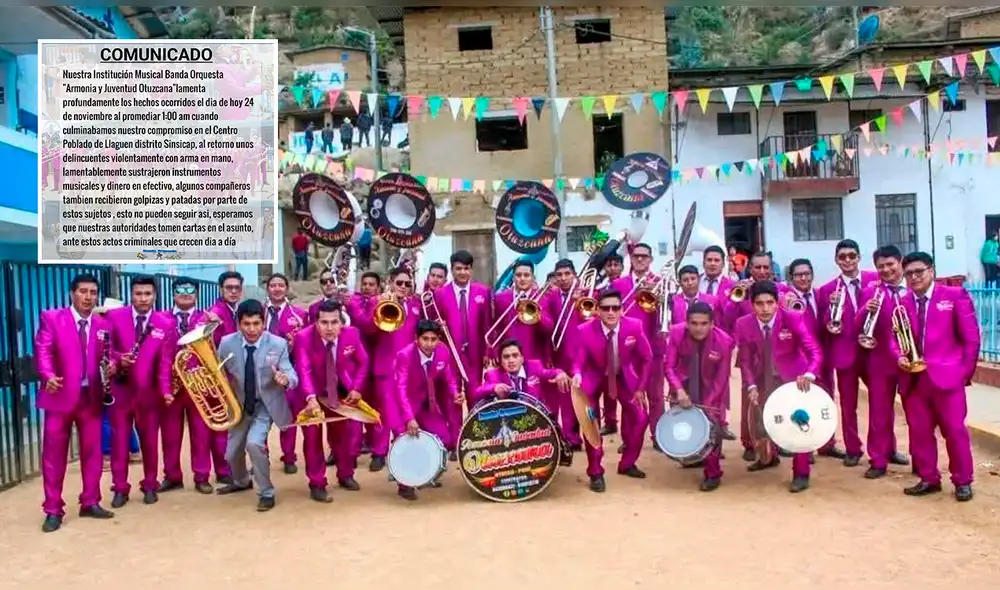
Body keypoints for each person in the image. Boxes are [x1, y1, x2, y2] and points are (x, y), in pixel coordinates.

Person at [893, 252, 979, 501]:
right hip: (914, 379)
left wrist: (962, 374)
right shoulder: (903, 302)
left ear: (931, 270)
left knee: (954, 431)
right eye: (909, 273)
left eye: (919, 271)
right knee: (919, 431)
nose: (914, 277)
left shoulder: (954, 296)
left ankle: (963, 480)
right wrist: (898, 355)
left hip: (947, 379)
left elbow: (971, 339)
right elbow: (893, 336)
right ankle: (929, 478)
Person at [36, 274, 115, 533]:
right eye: (83, 291)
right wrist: (47, 375)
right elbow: (43, 349)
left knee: (93, 453)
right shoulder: (52, 318)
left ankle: (90, 501)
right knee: (54, 456)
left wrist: (112, 364)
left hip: (90, 398)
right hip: (59, 396)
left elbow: (108, 354)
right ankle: (53, 509)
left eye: (93, 292)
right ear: (72, 294)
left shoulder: (103, 324)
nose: (88, 297)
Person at [733, 280, 819, 493]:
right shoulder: (743, 324)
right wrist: (750, 385)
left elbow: (815, 351)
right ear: (752, 305)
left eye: (770, 303)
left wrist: (808, 374)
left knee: (798, 425)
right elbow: (744, 360)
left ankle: (801, 473)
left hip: (793, 380)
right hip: (763, 379)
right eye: (759, 304)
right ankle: (767, 458)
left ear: (777, 303)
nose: (765, 309)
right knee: (761, 423)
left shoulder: (793, 318)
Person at [217, 300, 298, 511]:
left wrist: (286, 379)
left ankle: (266, 492)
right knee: (231, 454)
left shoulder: (278, 344)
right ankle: (242, 481)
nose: (252, 329)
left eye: (256, 323)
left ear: (263, 322)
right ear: (238, 324)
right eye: (246, 324)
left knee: (254, 444)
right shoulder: (226, 343)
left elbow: (291, 372)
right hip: (238, 404)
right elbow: (216, 371)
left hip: (265, 404)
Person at [570, 289, 653, 492]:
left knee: (642, 418)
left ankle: (627, 463)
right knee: (591, 423)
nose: (611, 312)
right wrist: (578, 374)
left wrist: (640, 389)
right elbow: (578, 362)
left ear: (622, 310)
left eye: (615, 308)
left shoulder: (634, 326)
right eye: (605, 308)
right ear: (597, 310)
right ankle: (596, 471)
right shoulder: (584, 330)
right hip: (595, 378)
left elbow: (648, 358)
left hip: (623, 378)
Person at [105, 275, 173, 507]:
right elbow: (104, 349)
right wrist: (117, 359)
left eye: (147, 294)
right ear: (131, 294)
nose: (143, 299)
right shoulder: (114, 317)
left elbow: (165, 362)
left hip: (149, 393)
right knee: (119, 442)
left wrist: (166, 391)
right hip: (120, 391)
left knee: (150, 442)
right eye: (138, 294)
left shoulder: (164, 323)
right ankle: (120, 488)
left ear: (154, 295)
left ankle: (150, 485)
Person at [293, 300, 368, 501]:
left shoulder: (352, 334)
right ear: (315, 323)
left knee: (342, 437)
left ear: (341, 322)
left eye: (334, 322)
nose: (329, 328)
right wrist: (310, 397)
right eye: (324, 323)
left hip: (338, 393)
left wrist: (356, 388)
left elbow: (363, 362)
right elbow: (304, 369)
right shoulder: (303, 338)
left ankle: (345, 475)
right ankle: (317, 483)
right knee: (312, 440)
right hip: (311, 395)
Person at [817, 239, 880, 467]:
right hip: (845, 353)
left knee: (881, 402)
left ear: (859, 257)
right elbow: (825, 324)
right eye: (842, 257)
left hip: (873, 351)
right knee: (848, 404)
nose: (847, 260)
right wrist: (830, 312)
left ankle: (886, 448)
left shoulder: (876, 279)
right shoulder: (827, 290)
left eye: (852, 256)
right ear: (836, 260)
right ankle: (853, 448)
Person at [663, 302, 734, 491]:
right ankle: (692, 457)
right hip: (683, 385)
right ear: (686, 323)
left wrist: (709, 404)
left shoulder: (724, 341)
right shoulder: (676, 333)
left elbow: (722, 377)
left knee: (712, 428)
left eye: (704, 324)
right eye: (694, 323)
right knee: (685, 424)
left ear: (712, 324)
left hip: (711, 387)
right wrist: (678, 389)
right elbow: (669, 366)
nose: (698, 328)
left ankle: (713, 473)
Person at [856, 246, 912, 479]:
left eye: (890, 264)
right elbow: (858, 323)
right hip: (880, 360)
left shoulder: (913, 289)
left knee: (915, 414)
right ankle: (878, 459)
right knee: (879, 413)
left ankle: (920, 460)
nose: (886, 270)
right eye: (881, 266)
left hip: (910, 359)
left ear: (900, 262)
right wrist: (863, 310)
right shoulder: (871, 291)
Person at [361, 266, 424, 470]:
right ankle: (380, 452)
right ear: (391, 282)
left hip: (408, 366)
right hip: (385, 365)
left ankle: (403, 450)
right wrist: (381, 306)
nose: (404, 287)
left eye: (407, 284)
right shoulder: (376, 301)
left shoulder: (415, 304)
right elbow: (368, 330)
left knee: (406, 408)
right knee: (383, 410)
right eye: (399, 283)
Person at [392, 320, 462, 501]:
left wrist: (455, 394)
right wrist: (408, 418)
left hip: (426, 405)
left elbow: (449, 378)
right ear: (416, 339)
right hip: (402, 404)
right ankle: (404, 484)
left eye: (433, 339)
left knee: (444, 438)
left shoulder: (443, 351)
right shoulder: (405, 355)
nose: (429, 343)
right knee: (406, 442)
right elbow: (400, 389)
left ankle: (427, 474)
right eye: (425, 339)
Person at [784, 258, 846, 460]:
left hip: (823, 357)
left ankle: (827, 443)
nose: (803, 278)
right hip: (801, 358)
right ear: (791, 278)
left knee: (826, 400)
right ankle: (805, 447)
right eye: (798, 275)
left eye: (807, 274)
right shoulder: (786, 299)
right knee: (803, 402)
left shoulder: (820, 295)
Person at [433, 250, 493, 456]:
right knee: (453, 398)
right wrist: (438, 326)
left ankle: (475, 437)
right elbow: (434, 327)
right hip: (450, 357)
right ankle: (456, 441)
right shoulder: (440, 294)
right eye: (458, 268)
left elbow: (488, 325)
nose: (462, 272)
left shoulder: (483, 292)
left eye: (466, 268)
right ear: (452, 270)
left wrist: (488, 351)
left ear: (471, 269)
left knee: (475, 396)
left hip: (475, 355)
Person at [161, 278, 217, 494]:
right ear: (173, 294)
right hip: (172, 386)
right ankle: (172, 476)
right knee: (170, 434)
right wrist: (165, 387)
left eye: (190, 291)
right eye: (180, 290)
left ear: (197, 294)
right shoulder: (162, 318)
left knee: (201, 433)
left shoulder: (207, 318)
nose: (185, 294)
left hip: (198, 384)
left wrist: (215, 325)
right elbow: (162, 357)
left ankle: (202, 476)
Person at [612, 243, 666, 451]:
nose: (640, 259)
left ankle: (658, 436)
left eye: (645, 256)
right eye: (636, 256)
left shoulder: (660, 282)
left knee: (656, 396)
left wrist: (660, 300)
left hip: (654, 347)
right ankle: (629, 440)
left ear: (651, 259)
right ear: (631, 259)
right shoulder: (619, 284)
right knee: (628, 398)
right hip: (627, 349)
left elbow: (669, 313)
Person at [263, 273, 309, 475]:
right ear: (267, 289)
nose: (277, 288)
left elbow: (306, 346)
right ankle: (261, 458)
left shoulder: (299, 314)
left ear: (287, 288)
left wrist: (294, 345)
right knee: (261, 419)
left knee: (288, 419)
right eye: (273, 285)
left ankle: (289, 457)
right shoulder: (259, 313)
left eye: (281, 285)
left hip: (289, 371)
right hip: (262, 373)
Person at [489, 261, 547, 362]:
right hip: (508, 357)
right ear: (513, 278)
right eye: (518, 275)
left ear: (533, 278)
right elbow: (496, 329)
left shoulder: (543, 298)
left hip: (533, 357)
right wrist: (494, 352)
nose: (522, 279)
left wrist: (538, 314)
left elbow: (548, 330)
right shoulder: (500, 298)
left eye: (527, 275)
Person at [478, 339, 569, 400]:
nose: (511, 360)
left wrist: (559, 373)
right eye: (506, 357)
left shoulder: (534, 367)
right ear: (500, 361)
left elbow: (550, 373)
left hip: (535, 419)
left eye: (515, 355)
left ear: (522, 358)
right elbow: (478, 392)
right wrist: (494, 388)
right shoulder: (493, 375)